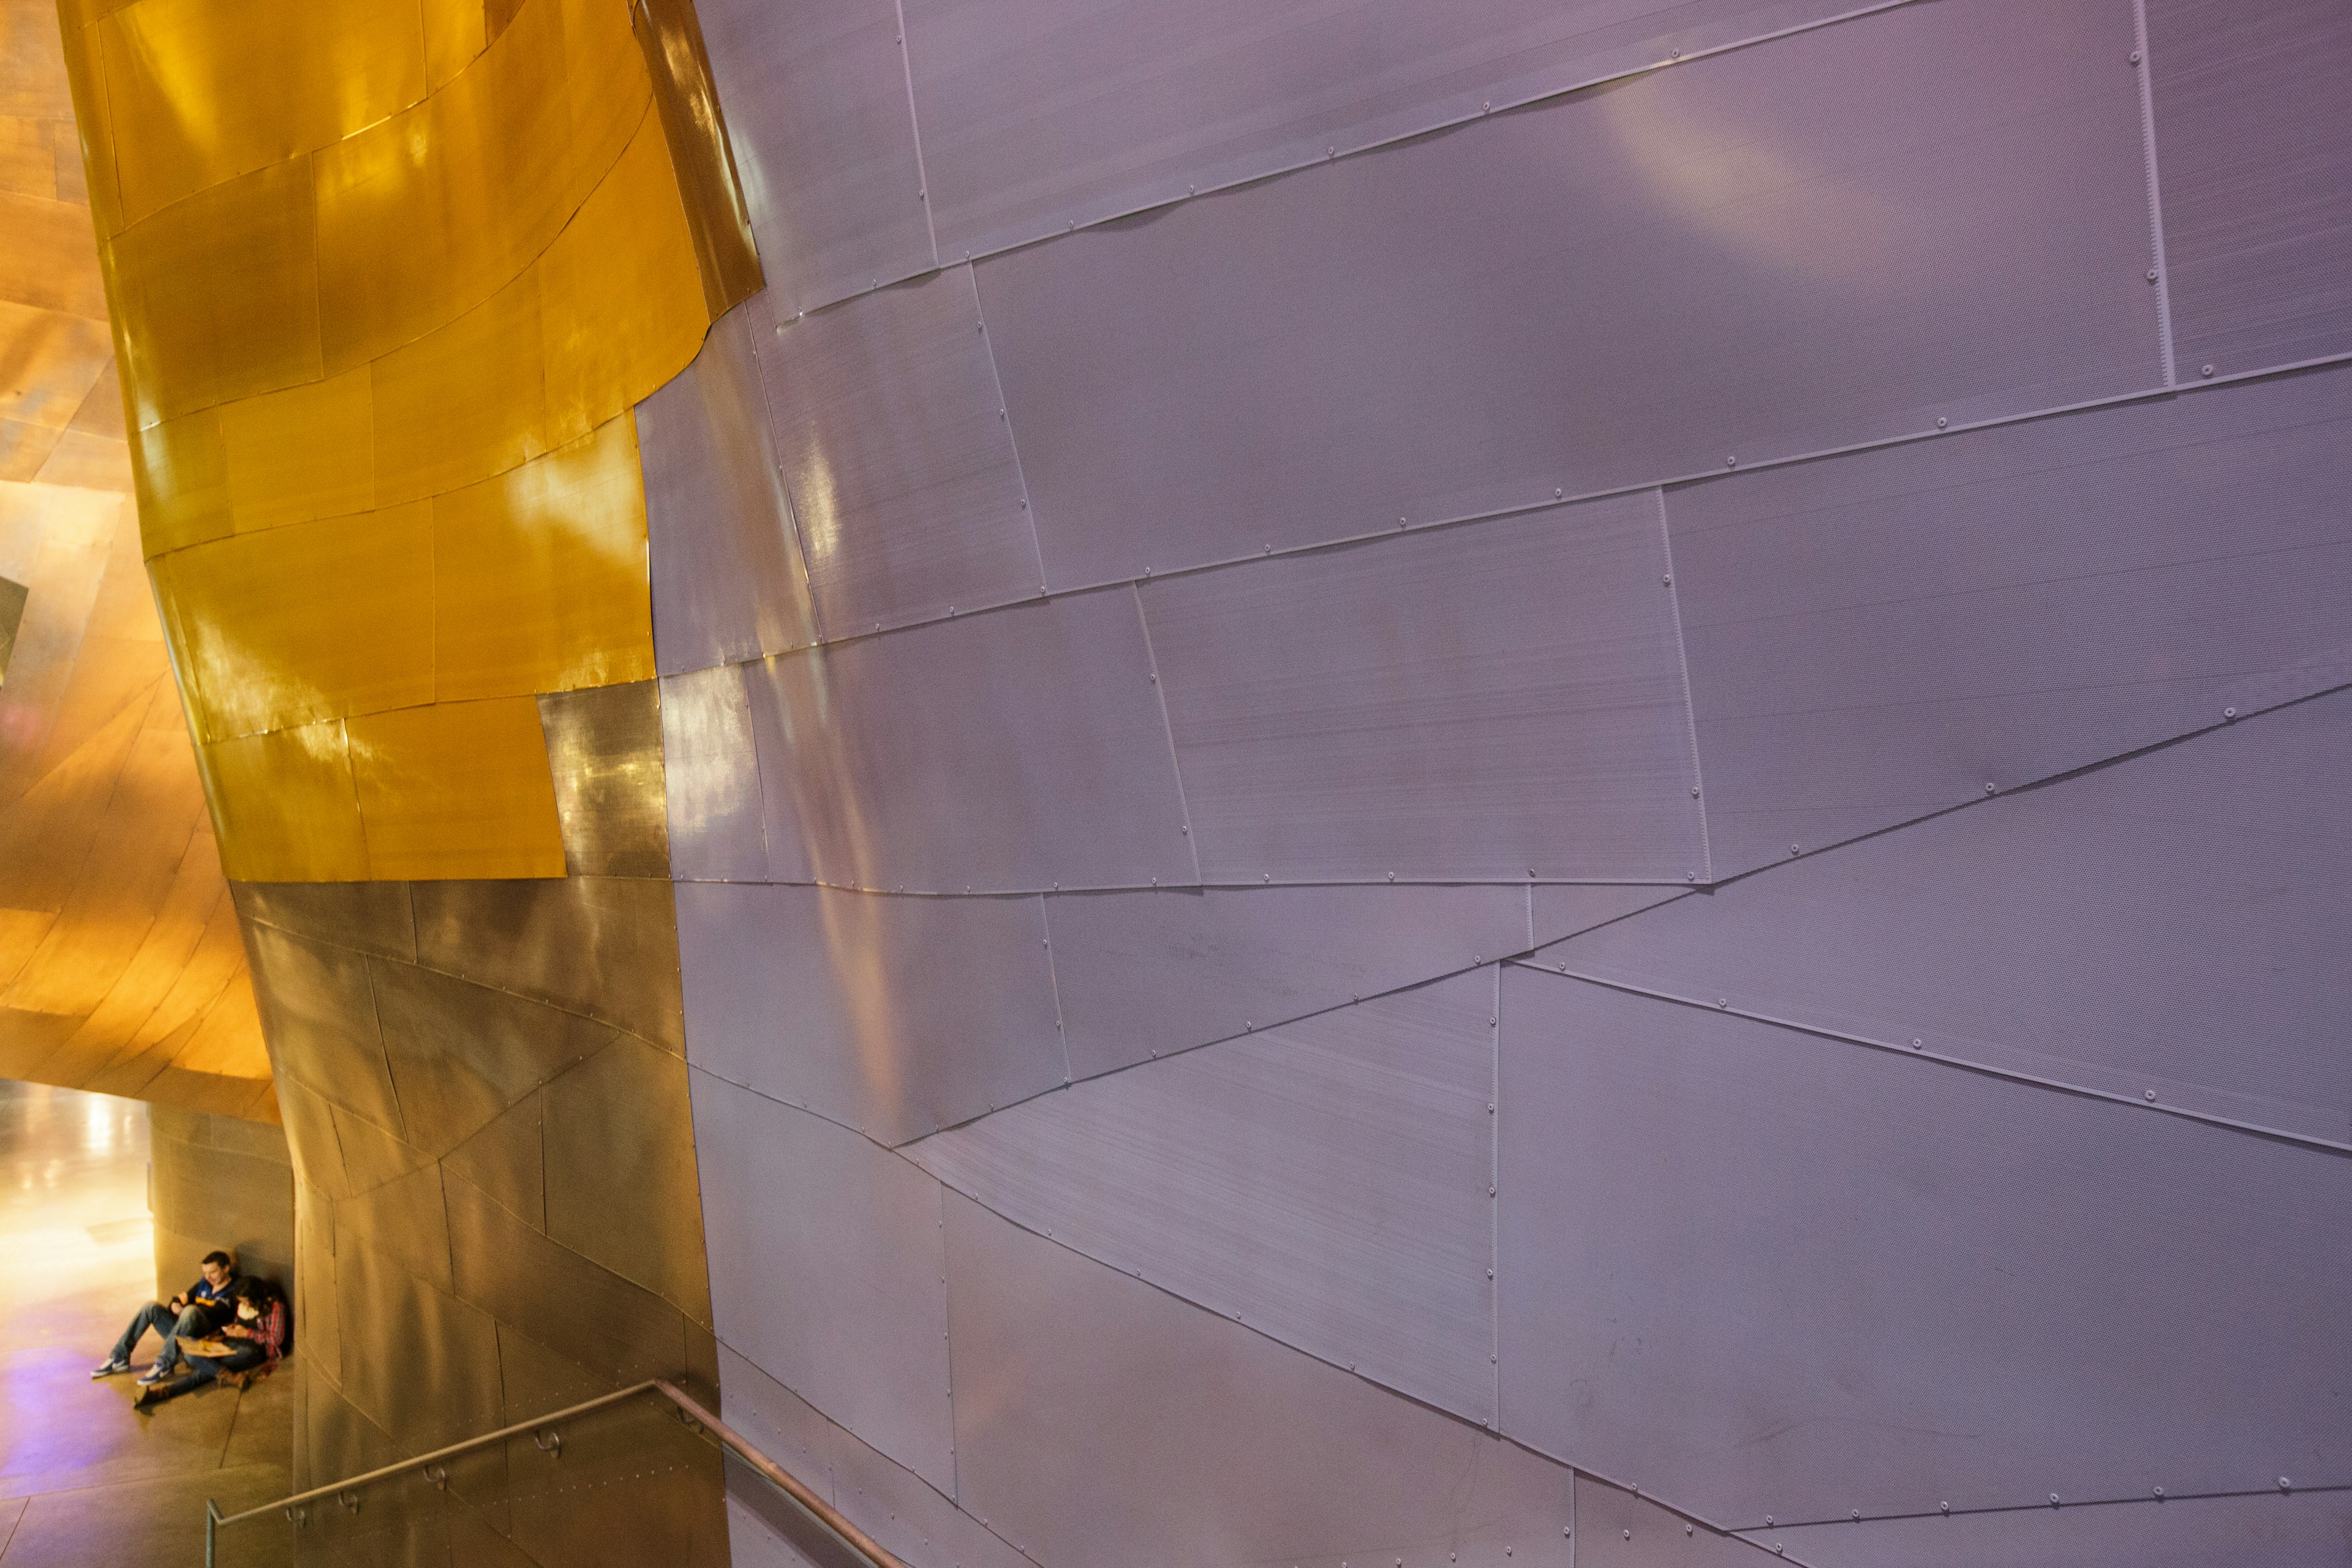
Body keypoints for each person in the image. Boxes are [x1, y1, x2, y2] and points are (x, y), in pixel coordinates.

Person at [134, 1278, 287, 1410]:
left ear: (254, 1297)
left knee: (203, 1373)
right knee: (191, 1355)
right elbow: (238, 1323)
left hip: (254, 1350)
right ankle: (232, 1377)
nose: (244, 1304)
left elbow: (276, 1339)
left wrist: (247, 1333)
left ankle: (162, 1393)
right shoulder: (245, 1305)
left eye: (245, 1301)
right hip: (232, 1342)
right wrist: (231, 1331)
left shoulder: (275, 1307)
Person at [91, 1250, 238, 1384]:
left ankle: (164, 1364)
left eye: (213, 1272)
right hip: (183, 1333)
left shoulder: (234, 1288)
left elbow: (218, 1314)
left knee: (190, 1311)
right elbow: (180, 1299)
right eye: (205, 1273)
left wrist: (186, 1310)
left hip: (204, 1339)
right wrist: (175, 1305)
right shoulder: (204, 1284)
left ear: (226, 1269)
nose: (208, 1277)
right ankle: (120, 1356)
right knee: (151, 1307)